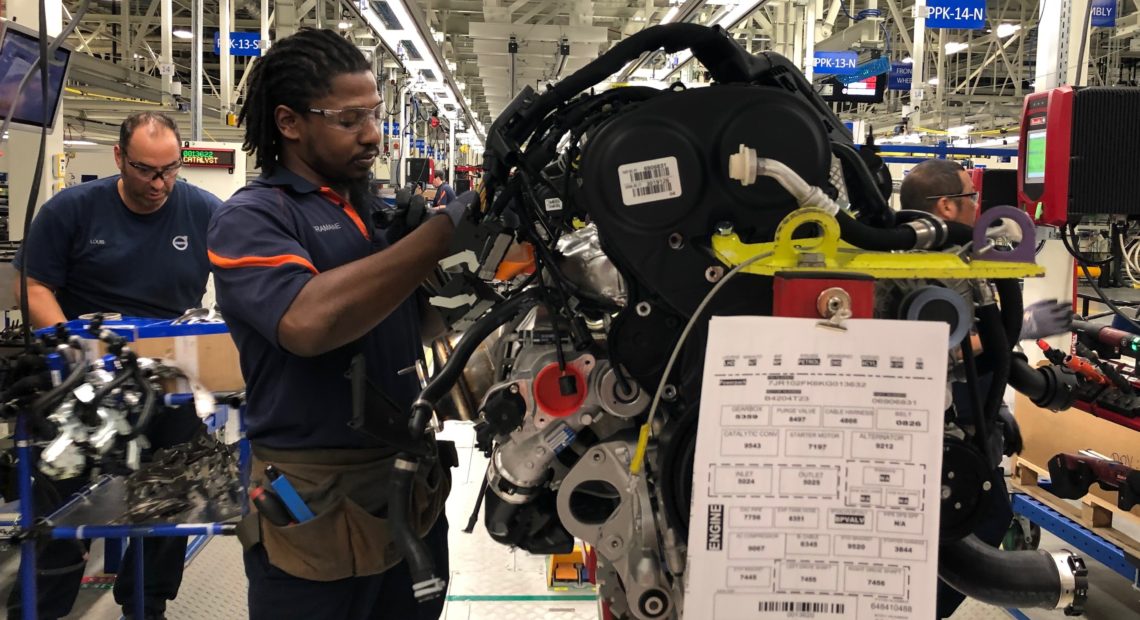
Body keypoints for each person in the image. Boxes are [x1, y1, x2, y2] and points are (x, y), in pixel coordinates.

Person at [207, 28, 467, 620]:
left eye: (373, 114)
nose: (372, 134)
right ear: (290, 122)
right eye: (349, 120)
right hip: (315, 503)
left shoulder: (370, 211)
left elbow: (413, 325)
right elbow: (307, 323)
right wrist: (438, 236)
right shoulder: (253, 217)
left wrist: (472, 269)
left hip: (406, 489)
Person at [9, 111, 222, 620]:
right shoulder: (72, 211)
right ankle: (39, 611)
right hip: (84, 388)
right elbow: (35, 289)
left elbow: (243, 282)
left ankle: (146, 607)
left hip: (170, 386)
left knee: (169, 508)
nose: (160, 183)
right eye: (147, 170)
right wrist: (80, 355)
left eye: (171, 168)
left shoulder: (203, 211)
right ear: (119, 158)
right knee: (62, 517)